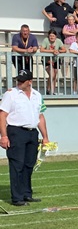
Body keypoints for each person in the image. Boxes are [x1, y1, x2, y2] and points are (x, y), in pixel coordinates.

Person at [0, 69, 50, 206]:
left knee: (29, 164)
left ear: (30, 82)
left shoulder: (37, 95)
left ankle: (27, 193)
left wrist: (45, 137)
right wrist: (4, 136)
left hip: (32, 132)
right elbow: (2, 115)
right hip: (16, 132)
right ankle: (17, 197)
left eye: (22, 81)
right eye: (18, 80)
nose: (19, 83)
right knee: (17, 164)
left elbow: (40, 116)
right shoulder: (10, 94)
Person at [39, 29, 66, 95]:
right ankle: (49, 90)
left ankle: (52, 91)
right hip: (46, 60)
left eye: (53, 36)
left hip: (56, 60)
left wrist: (58, 51)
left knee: (54, 75)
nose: (51, 37)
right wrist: (52, 51)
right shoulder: (46, 40)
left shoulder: (58, 41)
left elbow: (64, 50)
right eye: (50, 36)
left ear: (56, 36)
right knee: (52, 74)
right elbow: (41, 49)